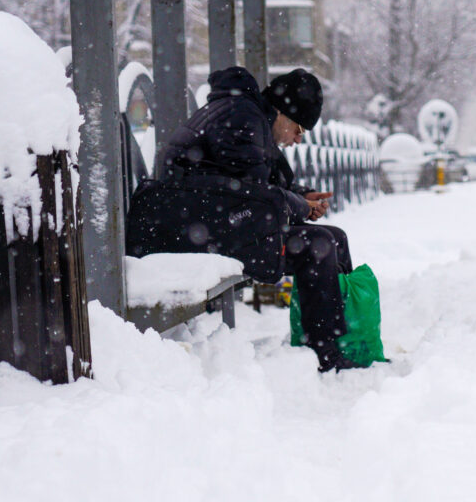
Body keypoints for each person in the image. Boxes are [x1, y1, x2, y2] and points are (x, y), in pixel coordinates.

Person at [145, 65, 359, 372]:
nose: (297, 140)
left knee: (334, 238)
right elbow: (254, 195)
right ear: (282, 113)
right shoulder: (242, 119)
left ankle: (341, 340)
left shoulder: (247, 115)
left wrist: (302, 196)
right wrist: (298, 205)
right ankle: (326, 355)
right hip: (191, 230)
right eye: (298, 129)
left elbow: (253, 185)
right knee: (319, 244)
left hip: (208, 222)